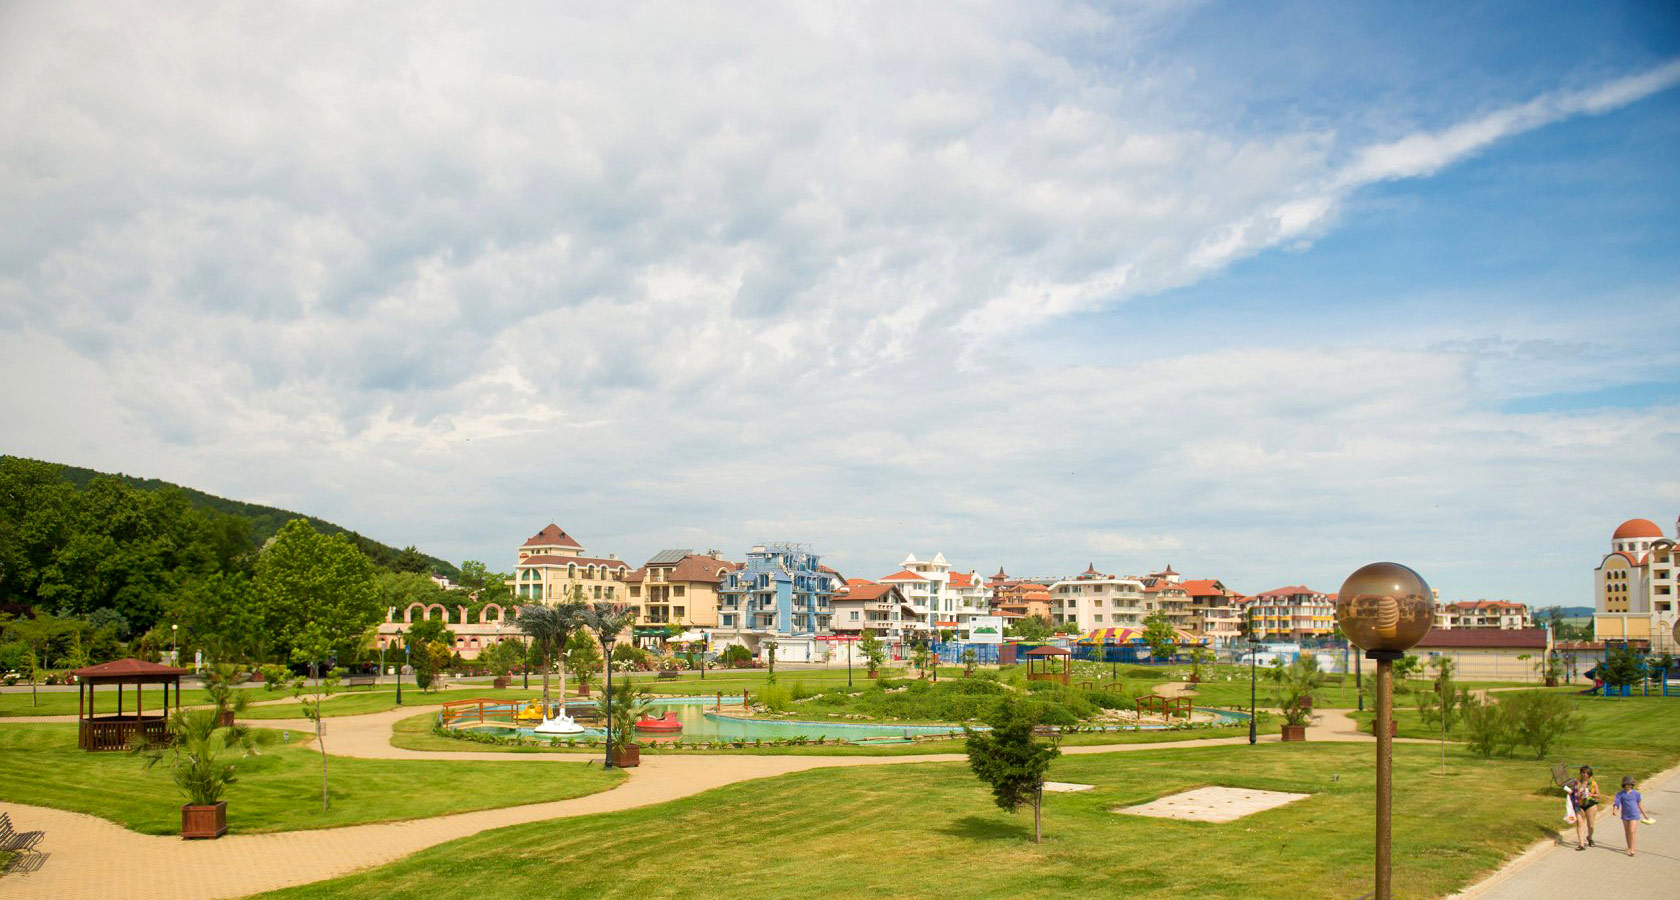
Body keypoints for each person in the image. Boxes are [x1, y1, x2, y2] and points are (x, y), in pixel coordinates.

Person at [1612, 775, 1647, 857]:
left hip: (1634, 815)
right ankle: (1628, 847)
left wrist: (1645, 814)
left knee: (1632, 831)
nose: (1629, 786)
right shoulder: (1620, 794)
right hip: (1625, 815)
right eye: (1627, 784)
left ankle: (1632, 849)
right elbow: (1616, 803)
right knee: (1627, 831)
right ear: (1624, 785)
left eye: (1630, 784)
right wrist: (1615, 809)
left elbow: (1640, 804)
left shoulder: (1636, 794)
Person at [1568, 765, 1601, 850]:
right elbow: (1570, 791)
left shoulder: (1593, 783)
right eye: (1583, 772)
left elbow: (1598, 795)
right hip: (1579, 804)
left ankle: (1589, 837)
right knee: (1579, 823)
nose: (1585, 774)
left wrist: (1590, 794)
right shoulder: (1576, 782)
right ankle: (1581, 844)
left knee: (1590, 825)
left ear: (1590, 774)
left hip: (1590, 804)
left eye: (1587, 773)